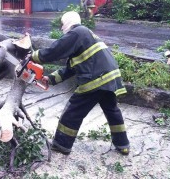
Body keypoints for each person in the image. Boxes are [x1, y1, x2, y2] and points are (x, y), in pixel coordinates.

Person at [31, 11, 130, 155]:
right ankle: (123, 145)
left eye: (62, 25)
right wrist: (50, 79)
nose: (61, 28)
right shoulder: (85, 35)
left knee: (73, 111)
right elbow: (72, 68)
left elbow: (56, 50)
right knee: (112, 111)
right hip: (110, 78)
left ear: (67, 23)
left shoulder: (77, 32)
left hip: (96, 78)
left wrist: (33, 56)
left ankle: (62, 144)